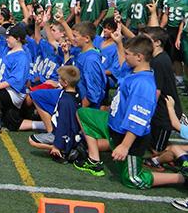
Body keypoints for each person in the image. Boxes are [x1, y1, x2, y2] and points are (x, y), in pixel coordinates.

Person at [75, 35, 186, 189]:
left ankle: (181, 178)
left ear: (139, 57)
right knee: (84, 114)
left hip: (129, 137)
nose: (125, 57)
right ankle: (94, 159)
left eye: (128, 54)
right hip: (113, 124)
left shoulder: (144, 84)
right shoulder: (133, 70)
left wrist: (125, 146)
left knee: (133, 179)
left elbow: (138, 119)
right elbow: (122, 64)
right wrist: (119, 42)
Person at [0, 22, 32, 135]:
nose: (6, 39)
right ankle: (43, 124)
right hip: (6, 89)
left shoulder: (22, 57)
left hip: (15, 92)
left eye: (9, 37)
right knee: (12, 124)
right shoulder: (6, 48)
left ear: (18, 38)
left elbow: (16, 80)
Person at [28, 65, 82, 162]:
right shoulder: (75, 94)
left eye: (60, 78)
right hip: (71, 133)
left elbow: (63, 124)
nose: (58, 80)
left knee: (32, 140)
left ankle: (63, 151)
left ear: (65, 83)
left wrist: (57, 145)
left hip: (63, 135)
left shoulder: (66, 101)